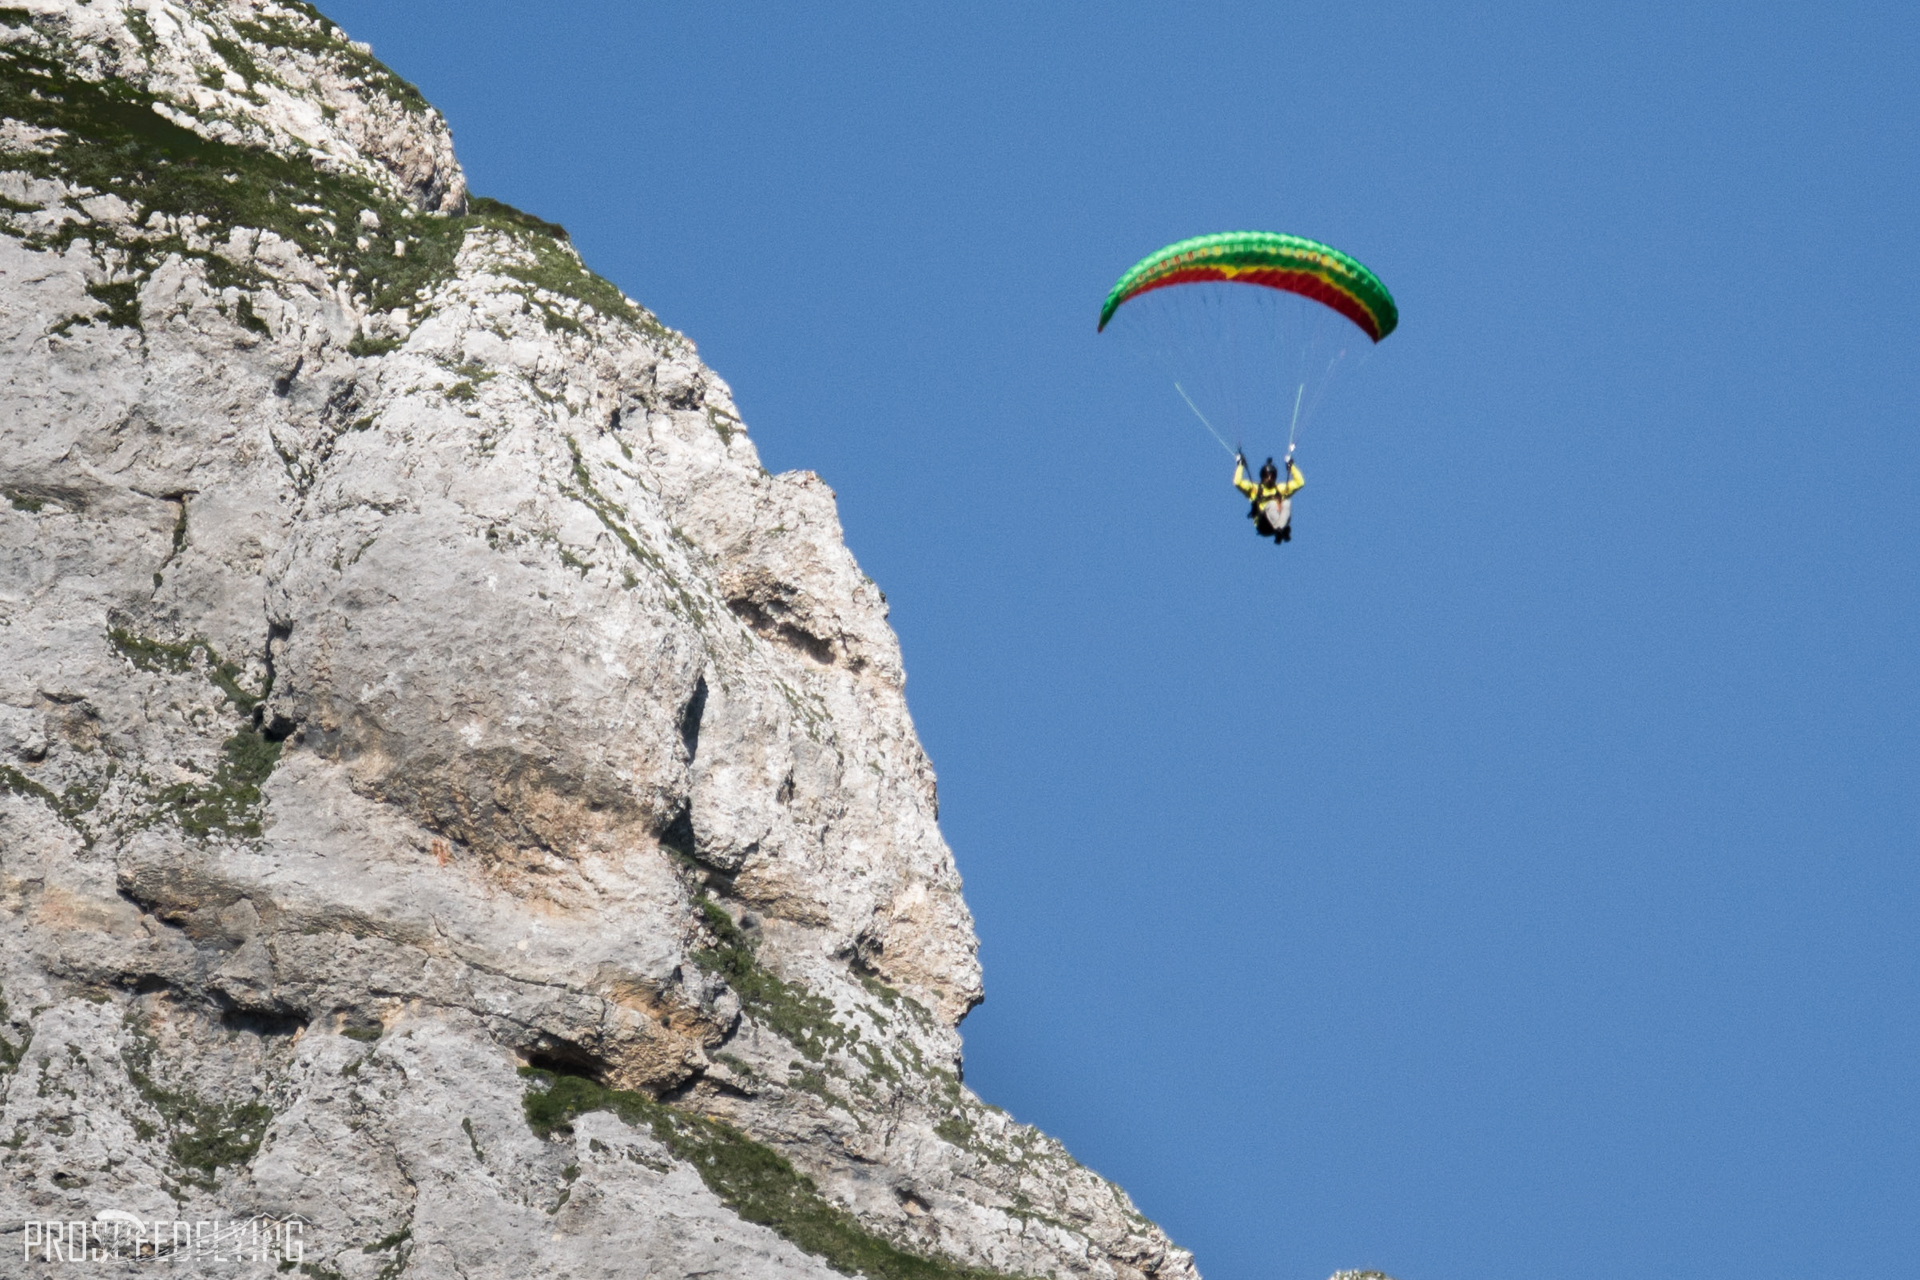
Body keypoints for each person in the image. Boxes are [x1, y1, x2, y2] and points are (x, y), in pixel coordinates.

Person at [1233, 452, 1304, 544]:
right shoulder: (1254, 489)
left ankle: (1280, 528)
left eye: (1272, 476)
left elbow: (1300, 482)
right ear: (1262, 477)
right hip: (1263, 524)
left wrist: (1291, 466)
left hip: (1278, 524)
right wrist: (1240, 464)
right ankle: (1280, 529)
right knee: (1272, 504)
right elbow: (1237, 482)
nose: (1269, 478)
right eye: (1267, 475)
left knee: (1286, 502)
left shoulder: (1280, 489)